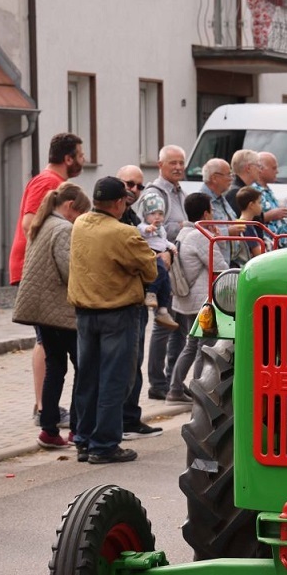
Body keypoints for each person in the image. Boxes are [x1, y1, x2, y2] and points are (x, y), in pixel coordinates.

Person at [68, 177, 157, 463]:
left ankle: (83, 440)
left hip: (84, 313)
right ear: (119, 203)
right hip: (118, 313)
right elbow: (151, 270)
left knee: (87, 379)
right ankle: (104, 444)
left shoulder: (80, 224)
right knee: (114, 380)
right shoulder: (124, 233)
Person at [9, 132, 85, 426]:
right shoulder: (48, 183)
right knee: (47, 342)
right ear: (68, 158)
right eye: (80, 155)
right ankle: (43, 407)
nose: (83, 160)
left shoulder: (53, 184)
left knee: (49, 343)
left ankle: (46, 410)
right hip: (38, 273)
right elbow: (31, 223)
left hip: (42, 271)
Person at [116, 164, 163, 439]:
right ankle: (121, 421)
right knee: (123, 364)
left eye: (138, 185)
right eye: (128, 184)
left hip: (138, 298)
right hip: (121, 300)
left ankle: (131, 418)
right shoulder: (117, 220)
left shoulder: (133, 216)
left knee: (135, 361)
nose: (133, 189)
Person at [167, 193, 228, 404]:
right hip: (203, 303)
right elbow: (221, 268)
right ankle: (199, 392)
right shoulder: (201, 237)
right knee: (204, 346)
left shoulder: (183, 233)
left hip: (185, 301)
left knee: (191, 344)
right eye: (211, 210)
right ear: (205, 213)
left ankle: (175, 389)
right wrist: (217, 240)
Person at [143, 145, 188, 400]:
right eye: (173, 163)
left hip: (176, 265)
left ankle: (174, 382)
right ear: (160, 165)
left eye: (181, 162)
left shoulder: (178, 191)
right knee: (164, 325)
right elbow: (158, 228)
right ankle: (158, 384)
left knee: (178, 326)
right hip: (162, 268)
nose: (178, 167)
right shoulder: (156, 193)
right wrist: (183, 225)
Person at [135, 190, 180, 330]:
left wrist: (171, 247)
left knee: (166, 282)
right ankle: (151, 293)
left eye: (160, 214)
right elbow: (141, 231)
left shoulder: (161, 230)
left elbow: (164, 241)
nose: (157, 217)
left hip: (161, 253)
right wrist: (149, 228)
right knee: (159, 270)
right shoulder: (144, 226)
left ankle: (163, 309)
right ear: (145, 215)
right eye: (153, 214)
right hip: (151, 254)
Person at [202, 158, 246, 266]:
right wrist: (228, 231)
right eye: (228, 174)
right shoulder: (201, 200)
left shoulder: (221, 197)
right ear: (214, 178)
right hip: (218, 265)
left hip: (232, 261)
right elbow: (199, 231)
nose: (231, 178)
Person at [254, 151, 287, 245]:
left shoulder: (267, 189)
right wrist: (271, 215)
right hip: (267, 247)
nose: (277, 171)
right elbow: (250, 219)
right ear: (261, 169)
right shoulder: (253, 191)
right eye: (274, 168)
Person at [225, 149, 261, 214]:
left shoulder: (244, 190)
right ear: (248, 168)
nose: (260, 170)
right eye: (258, 166)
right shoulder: (235, 193)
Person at [234, 186, 266, 260]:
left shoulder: (243, 223)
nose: (261, 206)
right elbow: (258, 253)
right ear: (251, 205)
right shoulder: (246, 226)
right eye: (259, 202)